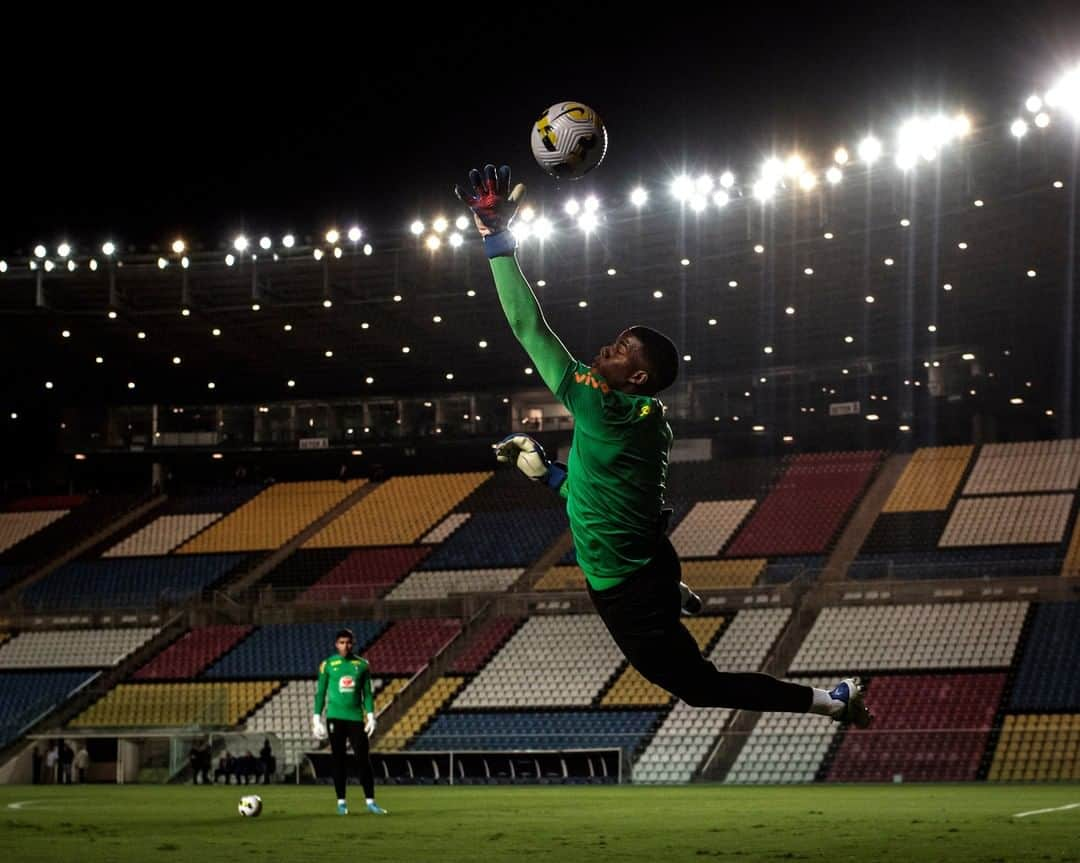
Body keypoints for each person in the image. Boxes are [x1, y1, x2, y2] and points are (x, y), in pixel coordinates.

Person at [455, 164, 872, 727]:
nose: (610, 346)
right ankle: (673, 593)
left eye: (625, 349)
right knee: (652, 581)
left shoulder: (599, 405)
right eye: (619, 339)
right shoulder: (642, 418)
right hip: (644, 559)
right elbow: (607, 491)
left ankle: (828, 702)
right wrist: (552, 475)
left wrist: (494, 236)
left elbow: (530, 327)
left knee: (697, 687)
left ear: (638, 379)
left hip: (628, 581)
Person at [312, 628, 386, 815]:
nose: (346, 646)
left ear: (353, 643)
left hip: (355, 717)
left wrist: (370, 715)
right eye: (342, 642)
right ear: (336, 644)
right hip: (335, 717)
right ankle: (341, 802)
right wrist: (316, 719)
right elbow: (320, 693)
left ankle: (370, 801)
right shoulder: (327, 664)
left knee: (363, 758)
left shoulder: (362, 665)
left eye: (349, 642)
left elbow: (367, 693)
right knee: (338, 759)